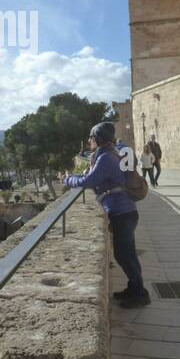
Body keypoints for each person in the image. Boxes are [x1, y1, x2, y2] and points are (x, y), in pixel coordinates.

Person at [66, 121, 148, 308]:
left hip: (122, 213)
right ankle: (134, 288)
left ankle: (140, 294)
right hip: (125, 212)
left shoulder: (105, 158)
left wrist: (68, 179)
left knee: (124, 255)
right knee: (127, 254)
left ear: (98, 139)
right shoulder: (108, 154)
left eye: (91, 137)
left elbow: (89, 180)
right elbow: (92, 177)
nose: (88, 141)